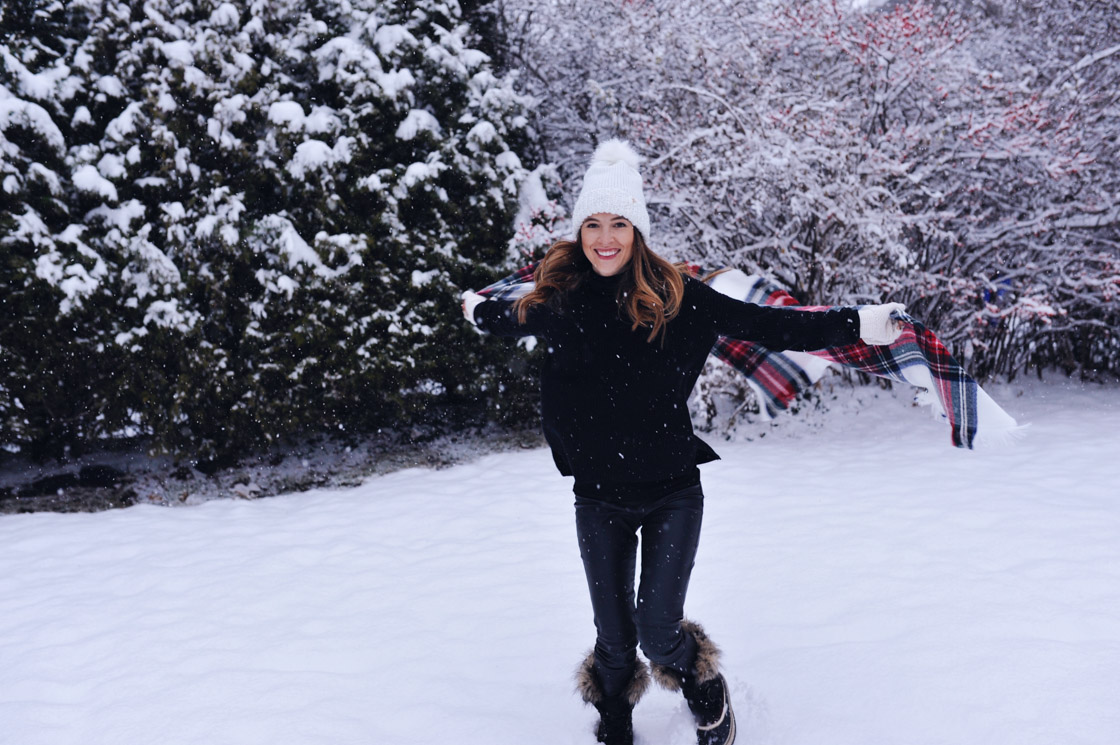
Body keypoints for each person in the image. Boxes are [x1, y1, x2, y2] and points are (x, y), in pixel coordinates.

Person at [459, 140, 904, 745]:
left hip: (672, 490)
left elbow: (771, 326)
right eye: (593, 224)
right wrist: (477, 309)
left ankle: (702, 684)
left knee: (656, 626)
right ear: (579, 231)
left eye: (619, 223)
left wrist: (860, 323)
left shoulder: (679, 300)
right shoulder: (558, 301)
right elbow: (508, 318)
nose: (605, 237)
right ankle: (615, 717)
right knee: (613, 638)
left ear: (638, 231)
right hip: (596, 494)